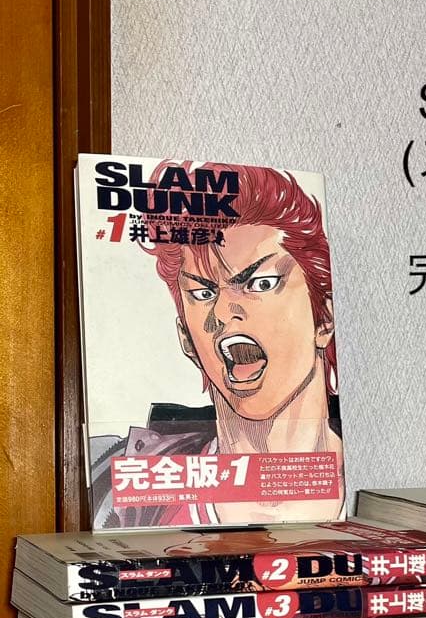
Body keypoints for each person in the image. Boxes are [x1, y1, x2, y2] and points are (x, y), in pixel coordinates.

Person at [90, 161, 344, 529]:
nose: (223, 312)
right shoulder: (115, 481)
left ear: (324, 319)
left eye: (261, 284)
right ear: (186, 337)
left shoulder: (362, 471)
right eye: (203, 292)